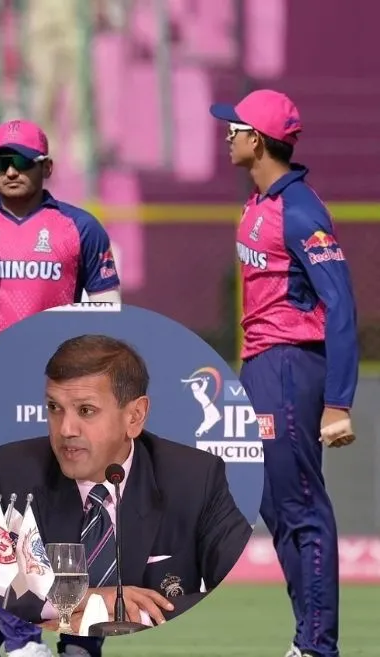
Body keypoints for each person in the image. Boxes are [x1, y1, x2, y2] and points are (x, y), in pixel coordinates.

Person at [0, 120, 120, 657]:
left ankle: (77, 635)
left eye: (21, 161)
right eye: (0, 161)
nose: (9, 171)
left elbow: (108, 310)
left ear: (46, 167)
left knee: (69, 519)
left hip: (60, 398)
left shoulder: (79, 227)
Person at [0, 335, 252, 632]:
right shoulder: (11, 471)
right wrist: (81, 603)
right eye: (54, 407)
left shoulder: (193, 477)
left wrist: (124, 620)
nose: (65, 429)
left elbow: (238, 589)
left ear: (135, 416)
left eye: (86, 410)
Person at [211, 89, 359, 657]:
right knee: (274, 507)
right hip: (262, 365)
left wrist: (339, 402)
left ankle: (317, 645)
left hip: (292, 365)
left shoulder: (299, 211)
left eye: (235, 128)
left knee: (301, 507)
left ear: (257, 140)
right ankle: (307, 639)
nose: (228, 136)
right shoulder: (258, 203)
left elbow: (340, 305)